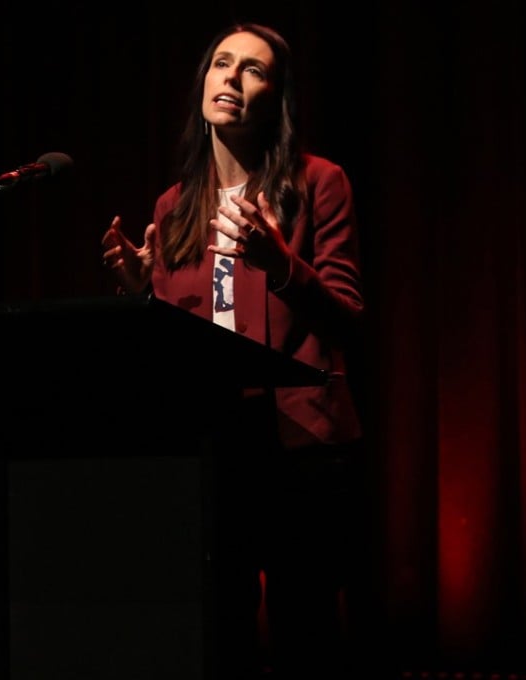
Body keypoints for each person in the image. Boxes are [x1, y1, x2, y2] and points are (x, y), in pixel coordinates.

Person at [100, 22, 366, 680]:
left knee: (308, 636)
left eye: (253, 69)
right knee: (219, 634)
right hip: (214, 447)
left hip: (300, 445)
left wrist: (281, 264)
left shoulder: (319, 183)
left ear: (277, 96)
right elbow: (176, 346)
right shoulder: (176, 205)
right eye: (222, 63)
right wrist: (142, 296)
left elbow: (347, 316)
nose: (233, 77)